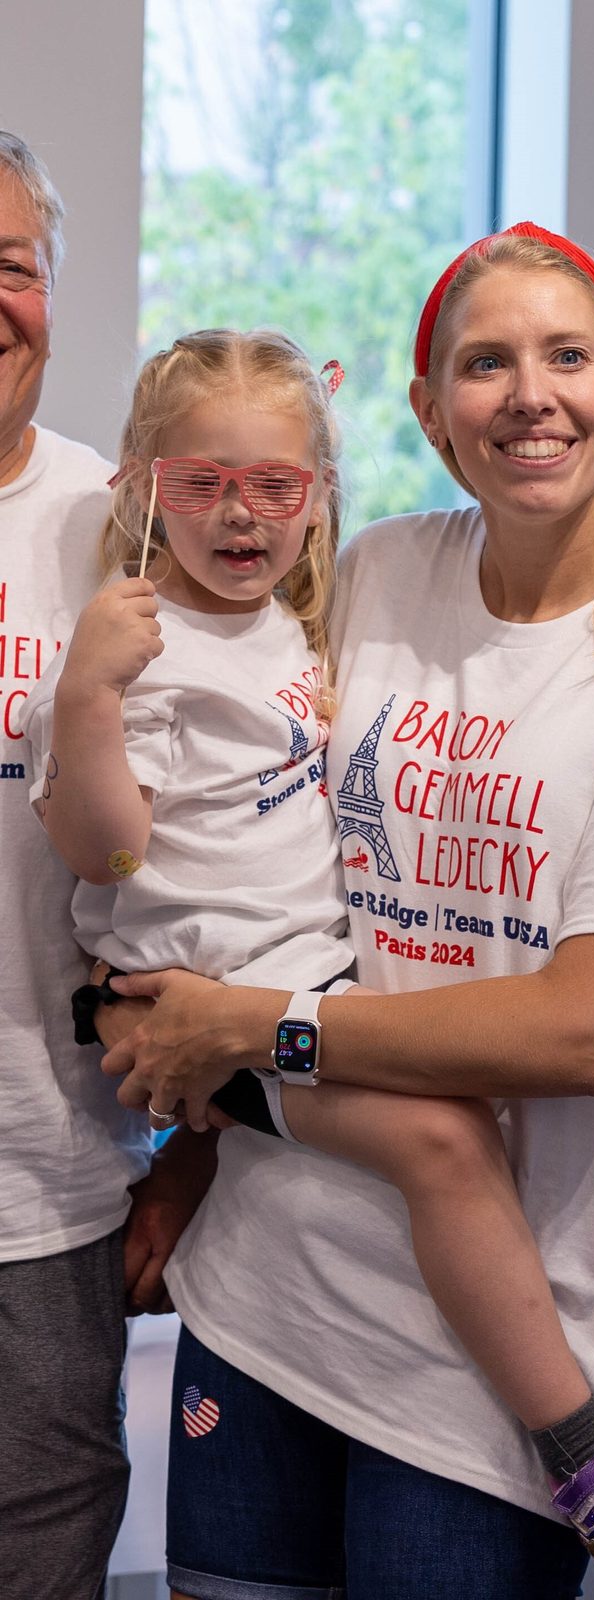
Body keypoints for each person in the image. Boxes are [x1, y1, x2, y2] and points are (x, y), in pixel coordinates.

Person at [99, 223, 594, 1600]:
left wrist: (248, 1031)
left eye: (567, 356)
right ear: (428, 411)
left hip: (490, 1370)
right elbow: (256, 863)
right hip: (265, 1280)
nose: (530, 393)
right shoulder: (372, 576)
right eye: (486, 363)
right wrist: (190, 1151)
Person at [0, 127, 210, 1600]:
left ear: (54, 287)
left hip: (47, 1195)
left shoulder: (115, 528)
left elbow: (239, 836)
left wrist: (196, 1153)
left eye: (10, 265)